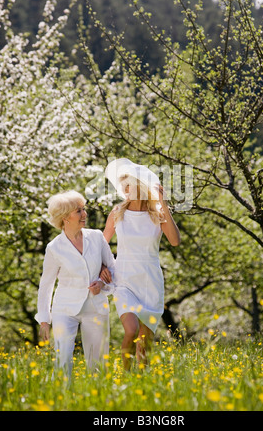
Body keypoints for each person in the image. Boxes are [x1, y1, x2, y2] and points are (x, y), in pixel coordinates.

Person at [101, 158, 181, 370]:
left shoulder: (158, 214)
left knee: (145, 345)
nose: (125, 190)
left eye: (129, 186)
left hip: (150, 282)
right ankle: (124, 377)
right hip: (124, 280)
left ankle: (138, 385)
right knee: (131, 330)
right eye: (123, 187)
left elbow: (175, 241)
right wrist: (101, 266)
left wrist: (163, 202)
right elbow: (100, 245)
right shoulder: (118, 213)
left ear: (140, 188)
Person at [35, 190, 115, 377]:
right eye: (78, 211)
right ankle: (63, 401)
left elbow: (113, 267)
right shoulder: (54, 247)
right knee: (62, 360)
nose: (84, 214)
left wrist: (102, 282)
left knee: (98, 365)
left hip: (96, 307)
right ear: (65, 217)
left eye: (83, 209)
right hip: (64, 309)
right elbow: (46, 284)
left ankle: (97, 401)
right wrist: (44, 319)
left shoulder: (96, 237)